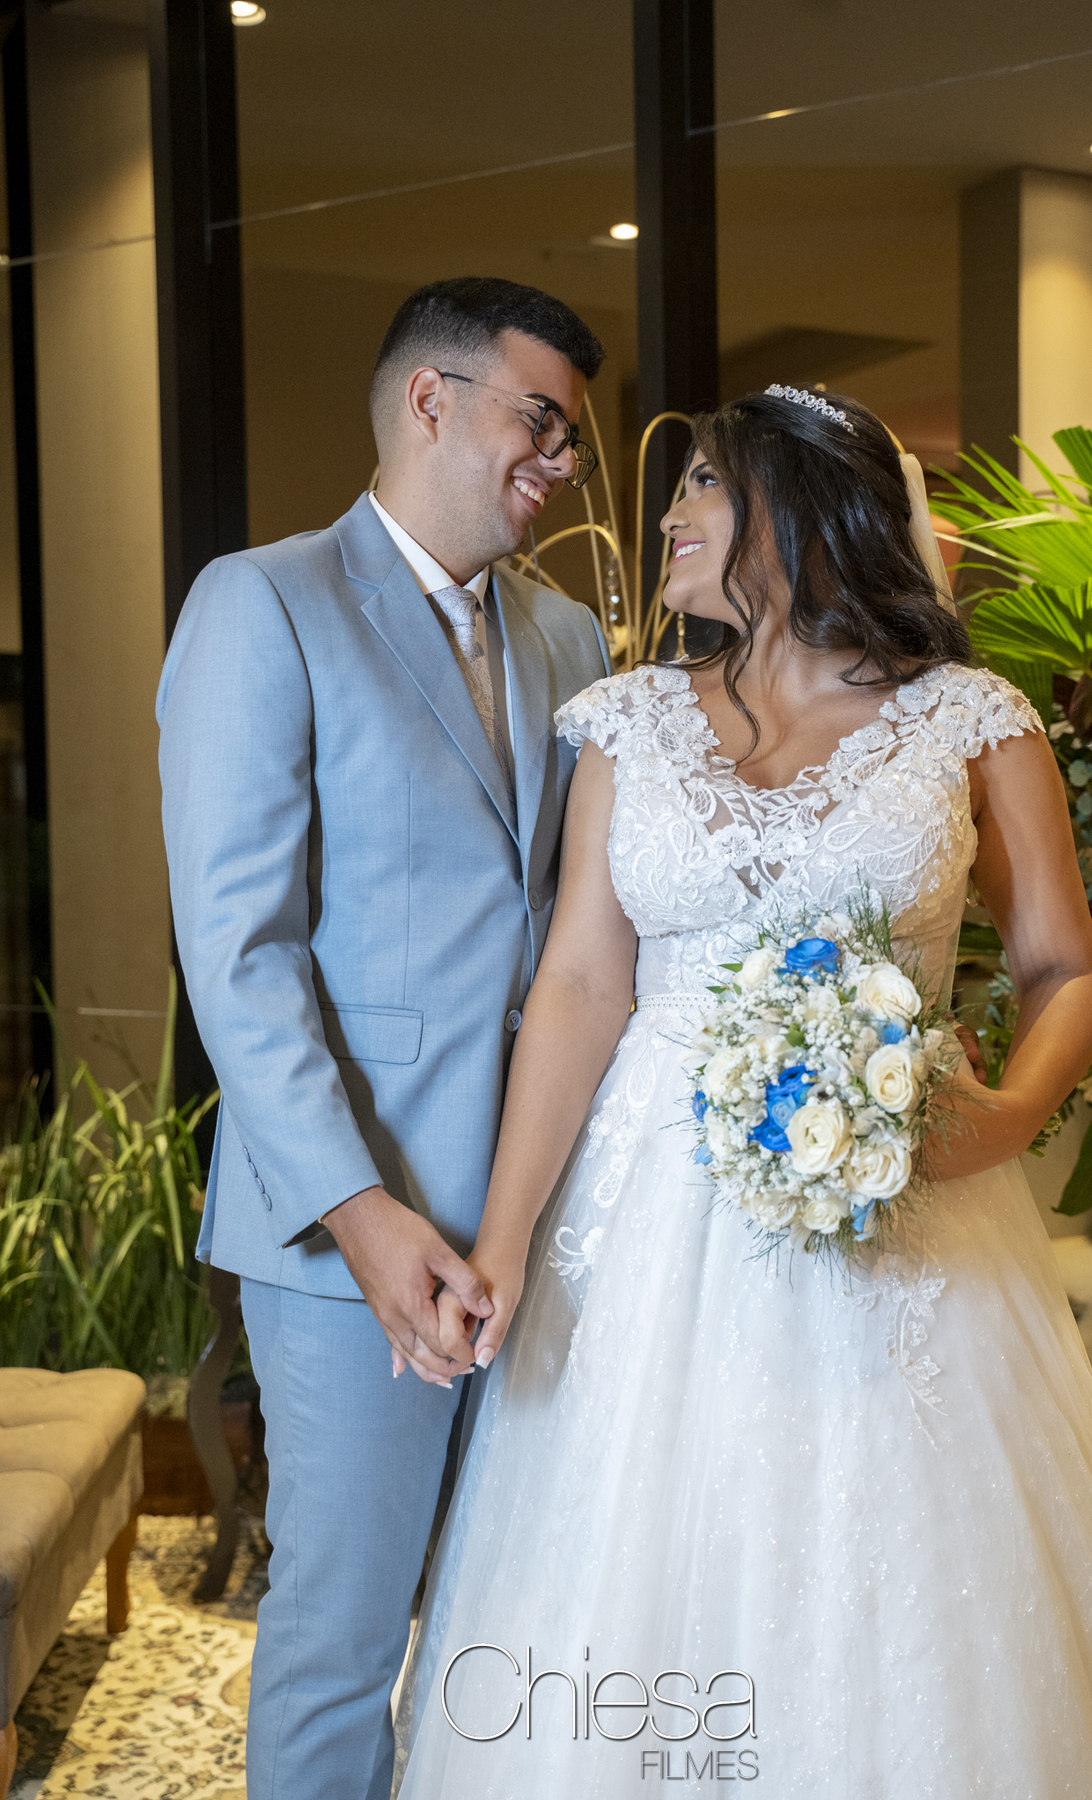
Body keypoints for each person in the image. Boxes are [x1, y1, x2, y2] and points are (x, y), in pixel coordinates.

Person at [394, 386, 1092, 1796]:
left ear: (808, 509)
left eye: (706, 483)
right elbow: (580, 986)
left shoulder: (970, 721)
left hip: (909, 1216)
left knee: (897, 1589)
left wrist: (1005, 1119)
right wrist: (505, 1240)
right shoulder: (630, 722)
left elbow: (1064, 967)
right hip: (645, 1233)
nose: (672, 513)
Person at [156, 276, 609, 1800]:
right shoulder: (263, 604)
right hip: (352, 1234)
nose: (562, 462)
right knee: (342, 1645)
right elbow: (241, 958)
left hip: (544, 1228)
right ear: (431, 399)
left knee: (509, 1637)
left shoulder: (569, 637)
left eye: (571, 435)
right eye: (541, 421)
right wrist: (361, 1215)